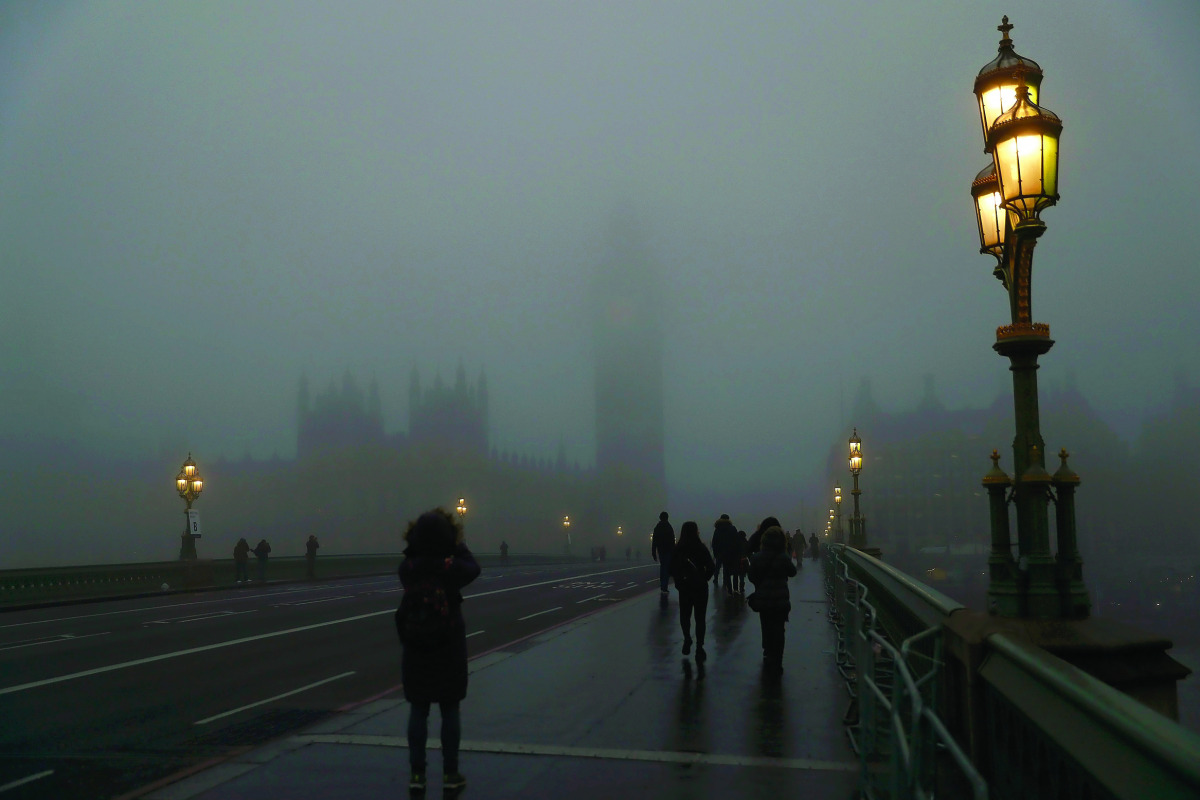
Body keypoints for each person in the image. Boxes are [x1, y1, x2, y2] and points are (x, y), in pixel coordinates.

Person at [397, 508, 481, 794]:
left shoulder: (408, 569)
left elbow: (410, 560)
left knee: (418, 710)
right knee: (450, 709)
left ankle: (417, 774)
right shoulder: (451, 569)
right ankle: (450, 772)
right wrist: (457, 545)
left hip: (416, 647)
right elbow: (473, 567)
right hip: (449, 646)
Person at [747, 525, 797, 675]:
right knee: (779, 629)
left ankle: (768, 652)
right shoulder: (783, 557)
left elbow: (751, 576)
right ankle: (778, 659)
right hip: (781, 599)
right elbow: (793, 572)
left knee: (766, 626)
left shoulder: (757, 557)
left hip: (763, 599)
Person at [669, 521, 714, 660]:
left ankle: (687, 638)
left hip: (685, 586)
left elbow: (671, 568)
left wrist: (678, 582)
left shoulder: (678, 549)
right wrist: (704, 578)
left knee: (685, 615)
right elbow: (711, 566)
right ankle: (700, 646)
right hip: (700, 586)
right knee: (700, 618)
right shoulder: (701, 548)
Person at [712, 514, 739, 595]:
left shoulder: (717, 529)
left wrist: (716, 553)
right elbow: (736, 541)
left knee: (722, 568)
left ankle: (728, 588)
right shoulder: (732, 528)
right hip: (732, 553)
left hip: (721, 553)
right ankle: (735, 588)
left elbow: (714, 542)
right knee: (735, 571)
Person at [651, 511, 675, 596]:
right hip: (668, 550)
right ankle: (664, 586)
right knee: (666, 568)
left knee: (663, 567)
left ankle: (662, 585)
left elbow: (654, 541)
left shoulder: (657, 527)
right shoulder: (669, 527)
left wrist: (653, 552)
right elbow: (672, 541)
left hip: (661, 550)